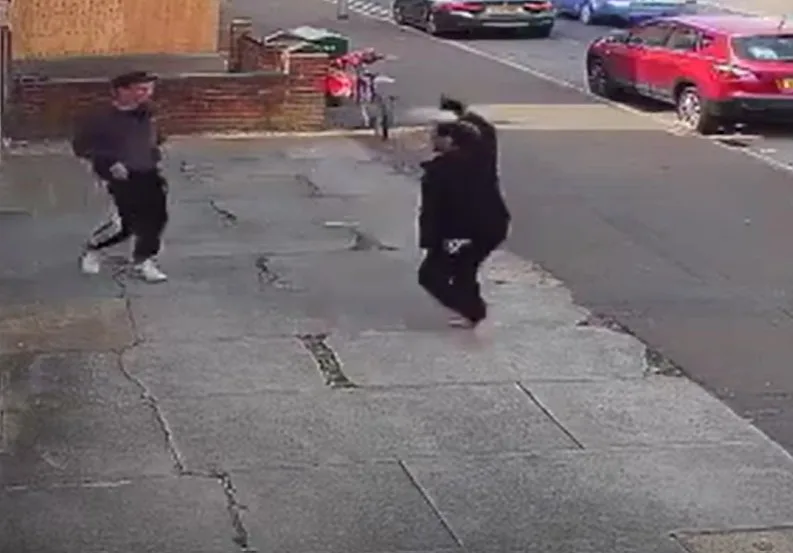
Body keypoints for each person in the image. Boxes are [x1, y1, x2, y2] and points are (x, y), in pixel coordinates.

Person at [72, 70, 169, 283]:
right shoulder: (100, 118)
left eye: (150, 89)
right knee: (123, 225)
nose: (147, 94)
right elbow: (82, 146)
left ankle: (144, 260)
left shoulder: (149, 113)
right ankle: (94, 249)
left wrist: (151, 152)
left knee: (156, 219)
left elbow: (157, 137)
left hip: (147, 172)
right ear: (121, 91)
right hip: (117, 177)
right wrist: (109, 162)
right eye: (141, 89)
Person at [418, 119, 510, 328]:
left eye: (435, 135)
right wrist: (464, 113)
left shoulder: (440, 171)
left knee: (430, 276)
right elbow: (488, 133)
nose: (431, 138)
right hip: (493, 226)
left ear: (449, 140)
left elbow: (432, 211)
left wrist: (431, 243)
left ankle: (473, 310)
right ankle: (472, 311)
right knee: (464, 270)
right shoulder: (482, 158)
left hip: (463, 231)